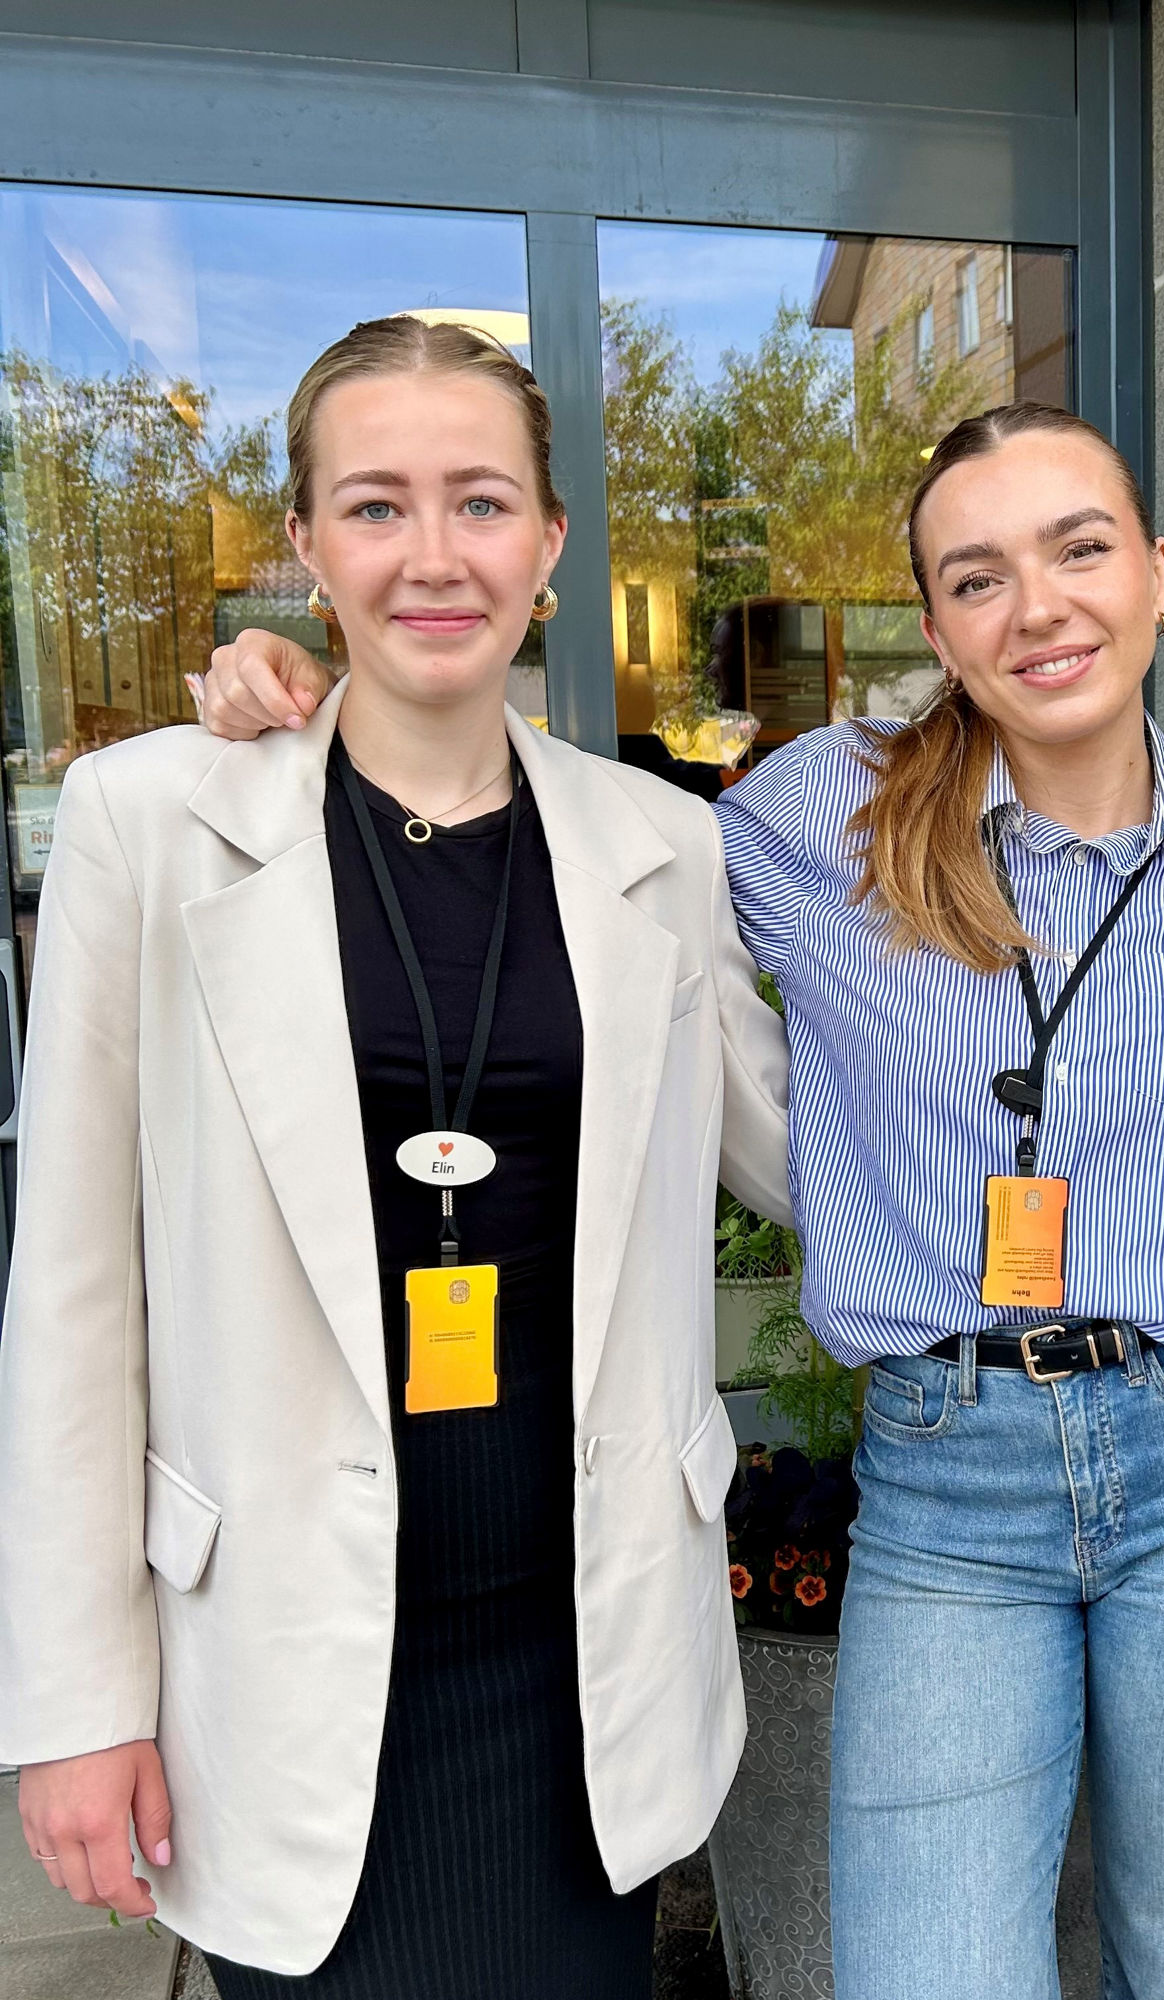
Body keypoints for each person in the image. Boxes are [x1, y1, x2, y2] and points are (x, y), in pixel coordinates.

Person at [191, 400, 1164, 2000]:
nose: (1042, 607)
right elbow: (554, 836)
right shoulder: (814, 819)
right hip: (955, 1481)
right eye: (978, 577)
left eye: (1081, 550)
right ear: (933, 625)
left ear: (1157, 572)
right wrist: (321, 706)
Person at [0, 316, 789, 1995]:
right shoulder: (153, 825)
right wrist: (73, 1705)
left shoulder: (665, 843)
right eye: (374, 506)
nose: (434, 556)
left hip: (582, 1659)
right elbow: (72, 1296)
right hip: (282, 1663)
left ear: (553, 542)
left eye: (482, 503)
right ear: (302, 541)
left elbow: (809, 1157)